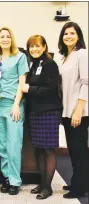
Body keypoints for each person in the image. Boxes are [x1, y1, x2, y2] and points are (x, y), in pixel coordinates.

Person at [21, 35, 63, 199]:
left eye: (38, 46)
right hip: (35, 112)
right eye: (31, 47)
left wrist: (28, 89)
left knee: (48, 149)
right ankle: (42, 183)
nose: (34, 49)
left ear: (44, 47)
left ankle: (48, 187)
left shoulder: (50, 64)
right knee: (38, 149)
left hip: (49, 112)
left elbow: (50, 88)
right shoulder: (34, 64)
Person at [0, 27, 29, 195]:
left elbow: (22, 83)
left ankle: (15, 180)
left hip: (14, 104)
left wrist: (16, 104)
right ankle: (7, 177)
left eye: (8, 36)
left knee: (13, 145)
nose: (5, 39)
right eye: (2, 37)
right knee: (1, 145)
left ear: (12, 39)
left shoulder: (20, 57)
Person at [58, 22, 88, 199]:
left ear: (78, 36)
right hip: (67, 110)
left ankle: (80, 187)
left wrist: (79, 110)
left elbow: (86, 82)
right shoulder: (66, 56)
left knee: (79, 150)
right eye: (65, 34)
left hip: (79, 111)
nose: (68, 36)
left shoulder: (82, 54)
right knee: (74, 150)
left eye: (72, 33)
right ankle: (78, 181)